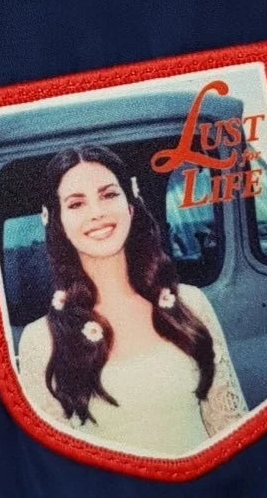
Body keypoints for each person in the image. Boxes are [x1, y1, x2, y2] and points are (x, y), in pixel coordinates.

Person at [17, 146, 247, 456]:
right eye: (76, 203)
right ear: (57, 221)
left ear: (130, 206)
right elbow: (55, 468)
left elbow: (232, 429)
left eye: (109, 195)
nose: (97, 212)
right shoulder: (40, 340)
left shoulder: (190, 304)